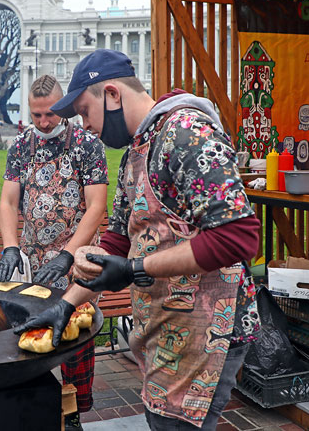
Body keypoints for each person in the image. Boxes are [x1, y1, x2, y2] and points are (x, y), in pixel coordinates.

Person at [14, 50, 261, 430]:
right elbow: (117, 240)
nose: (85, 125)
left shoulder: (186, 132)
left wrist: (135, 268)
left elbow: (237, 236)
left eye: (84, 111)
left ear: (112, 94)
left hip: (208, 332)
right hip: (166, 331)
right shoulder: (136, 151)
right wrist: (67, 305)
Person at [0, 74, 108, 430]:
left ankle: (73, 412)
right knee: (35, 334)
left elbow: (96, 207)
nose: (43, 122)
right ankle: (37, 406)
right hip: (34, 260)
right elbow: (8, 200)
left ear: (62, 108)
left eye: (49, 114)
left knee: (74, 335)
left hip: (78, 260)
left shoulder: (87, 145)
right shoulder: (20, 146)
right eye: (36, 115)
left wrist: (68, 254)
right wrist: (11, 247)